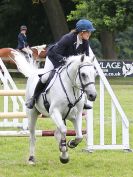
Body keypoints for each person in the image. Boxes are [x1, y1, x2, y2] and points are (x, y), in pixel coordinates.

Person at [26, 19, 96, 109]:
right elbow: (55, 54)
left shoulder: (85, 42)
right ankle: (33, 98)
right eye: (88, 32)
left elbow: (86, 57)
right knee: (45, 77)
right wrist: (65, 60)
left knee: (78, 78)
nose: (90, 34)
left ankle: (81, 101)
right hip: (53, 58)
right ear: (82, 32)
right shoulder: (67, 38)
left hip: (67, 62)